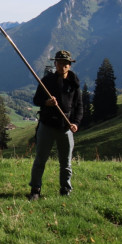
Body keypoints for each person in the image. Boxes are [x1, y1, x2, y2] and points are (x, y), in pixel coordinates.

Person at [28, 50, 83, 201]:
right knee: (40, 160)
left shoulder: (74, 83)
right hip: (47, 125)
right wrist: (46, 102)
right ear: (55, 63)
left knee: (66, 162)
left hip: (65, 128)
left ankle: (65, 189)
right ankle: (35, 190)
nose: (62, 66)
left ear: (69, 65)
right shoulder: (46, 81)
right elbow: (37, 100)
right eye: (60, 63)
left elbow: (79, 106)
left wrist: (76, 123)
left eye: (66, 64)